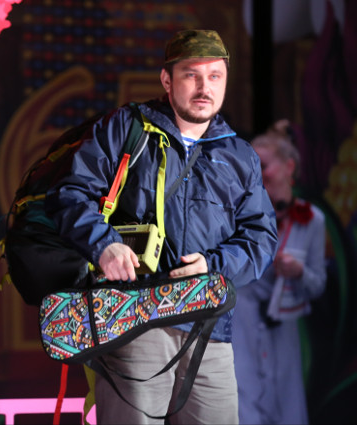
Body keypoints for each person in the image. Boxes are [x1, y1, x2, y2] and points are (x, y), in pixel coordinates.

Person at [45, 29, 278, 424]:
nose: (205, 87)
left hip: (209, 328)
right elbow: (68, 195)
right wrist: (104, 245)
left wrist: (214, 265)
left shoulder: (239, 154)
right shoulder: (126, 128)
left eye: (215, 76)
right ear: (167, 80)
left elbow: (261, 237)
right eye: (191, 75)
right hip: (134, 320)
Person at [231, 122, 327, 424]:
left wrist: (298, 273)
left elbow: (318, 285)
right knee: (243, 402)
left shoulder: (311, 220)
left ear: (288, 166)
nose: (256, 174)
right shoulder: (238, 217)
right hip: (241, 326)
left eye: (262, 165)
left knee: (285, 405)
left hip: (283, 329)